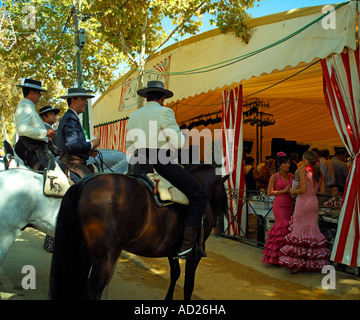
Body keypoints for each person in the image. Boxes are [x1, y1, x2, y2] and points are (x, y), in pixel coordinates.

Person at [126, 80, 208, 259]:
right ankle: (187, 246)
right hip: (160, 161)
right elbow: (178, 143)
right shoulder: (165, 112)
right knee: (199, 194)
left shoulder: (134, 115)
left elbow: (129, 144)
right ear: (162, 98)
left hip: (137, 162)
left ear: (147, 97)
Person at [279, 151, 331, 273]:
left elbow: (301, 190)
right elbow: (322, 191)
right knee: (312, 231)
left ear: (306, 160)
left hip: (303, 203)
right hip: (314, 202)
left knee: (299, 231)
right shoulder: (319, 173)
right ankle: (311, 262)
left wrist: (292, 190)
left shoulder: (303, 171)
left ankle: (297, 264)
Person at [57, 87, 100, 183]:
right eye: (83, 100)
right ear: (73, 100)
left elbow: (72, 146)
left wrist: (87, 151)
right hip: (71, 165)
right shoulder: (70, 118)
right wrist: (91, 144)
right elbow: (72, 144)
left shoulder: (70, 117)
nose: (85, 103)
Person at [14, 79, 56, 170]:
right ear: (32, 92)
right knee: (49, 177)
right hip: (29, 150)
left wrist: (45, 138)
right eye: (39, 92)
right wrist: (45, 133)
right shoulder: (25, 106)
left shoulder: (28, 106)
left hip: (33, 149)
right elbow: (22, 129)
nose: (40, 95)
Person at [262, 152, 294, 265]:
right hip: (279, 205)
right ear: (280, 165)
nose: (288, 165)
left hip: (290, 204)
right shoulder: (274, 176)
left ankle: (286, 256)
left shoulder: (292, 176)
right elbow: (269, 192)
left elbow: (295, 190)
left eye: (289, 163)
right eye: (285, 163)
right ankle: (277, 257)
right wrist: (283, 191)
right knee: (281, 230)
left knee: (289, 229)